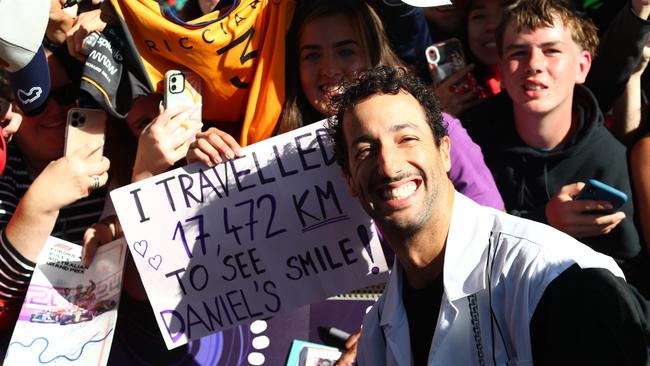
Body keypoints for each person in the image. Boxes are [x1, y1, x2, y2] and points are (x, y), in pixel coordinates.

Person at [328, 64, 648, 365]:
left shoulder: (557, 276)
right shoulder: (375, 336)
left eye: (407, 139)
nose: (389, 165)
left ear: (444, 152)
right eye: (365, 151)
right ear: (350, 180)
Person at [191, 0, 505, 211]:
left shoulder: (438, 130)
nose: (329, 69)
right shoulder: (265, 145)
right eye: (312, 55)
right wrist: (200, 168)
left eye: (345, 51)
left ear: (374, 55)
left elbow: (492, 228)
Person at [460, 0, 650, 298]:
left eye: (552, 51)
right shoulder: (469, 144)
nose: (534, 64)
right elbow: (453, 246)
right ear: (502, 67)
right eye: (518, 52)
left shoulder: (609, 158)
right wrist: (545, 222)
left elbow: (634, 280)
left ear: (582, 66)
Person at [0, 47, 110, 343]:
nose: (55, 110)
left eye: (64, 95)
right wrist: (39, 206)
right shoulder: (5, 172)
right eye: (34, 100)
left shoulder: (116, 159)